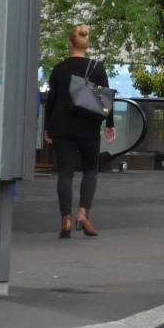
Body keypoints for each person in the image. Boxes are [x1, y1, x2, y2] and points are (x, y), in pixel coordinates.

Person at [44, 25, 116, 239]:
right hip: (88, 126)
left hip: (62, 127)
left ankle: (65, 218)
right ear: (85, 45)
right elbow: (106, 98)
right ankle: (83, 213)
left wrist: (48, 127)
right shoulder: (97, 68)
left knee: (65, 172)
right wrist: (109, 125)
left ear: (70, 43)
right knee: (90, 171)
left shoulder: (58, 69)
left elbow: (51, 102)